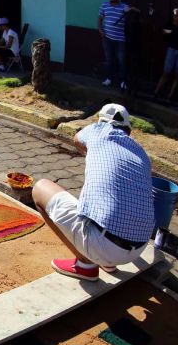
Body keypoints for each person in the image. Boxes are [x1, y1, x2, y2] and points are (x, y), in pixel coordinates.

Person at [31, 103, 154, 281]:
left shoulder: (97, 130)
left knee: (40, 188)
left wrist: (91, 150)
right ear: (128, 131)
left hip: (103, 244)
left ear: (101, 122)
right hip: (138, 248)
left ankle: (85, 264)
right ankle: (108, 263)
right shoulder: (141, 153)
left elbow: (77, 139)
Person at [153, 8, 178, 101]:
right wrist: (167, 31)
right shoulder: (170, 24)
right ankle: (156, 92)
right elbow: (164, 33)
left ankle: (170, 96)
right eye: (174, 15)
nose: (176, 17)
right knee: (166, 72)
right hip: (171, 50)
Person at [98, 0, 132, 90]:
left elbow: (134, 11)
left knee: (121, 60)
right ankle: (109, 78)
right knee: (109, 59)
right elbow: (100, 19)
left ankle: (123, 81)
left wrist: (131, 9)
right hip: (107, 38)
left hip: (119, 39)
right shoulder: (104, 5)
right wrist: (100, 30)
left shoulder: (124, 6)